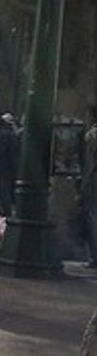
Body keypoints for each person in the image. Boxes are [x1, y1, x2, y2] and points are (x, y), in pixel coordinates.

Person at [78, 106, 97, 268]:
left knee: (93, 219)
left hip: (94, 183)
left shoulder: (92, 136)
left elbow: (89, 165)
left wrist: (83, 188)